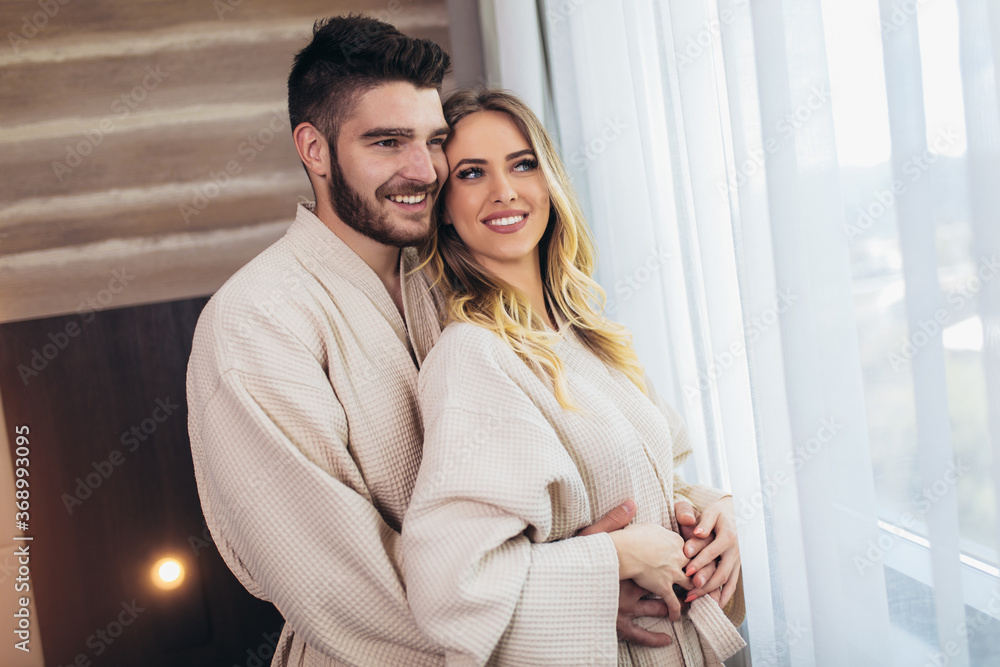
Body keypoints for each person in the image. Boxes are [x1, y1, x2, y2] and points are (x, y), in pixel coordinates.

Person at [186, 15, 717, 666]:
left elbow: (595, 443)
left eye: (432, 141)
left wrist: (702, 516)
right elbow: (338, 588)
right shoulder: (254, 324)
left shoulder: (457, 275)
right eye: (386, 142)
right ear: (315, 149)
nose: (422, 169)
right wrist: (584, 585)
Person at [402, 89, 746, 666]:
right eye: (471, 174)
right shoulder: (473, 357)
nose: (504, 191)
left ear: (549, 179)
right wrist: (611, 559)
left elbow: (647, 476)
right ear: (444, 207)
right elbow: (450, 584)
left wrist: (716, 514)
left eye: (522, 164)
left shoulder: (588, 333)